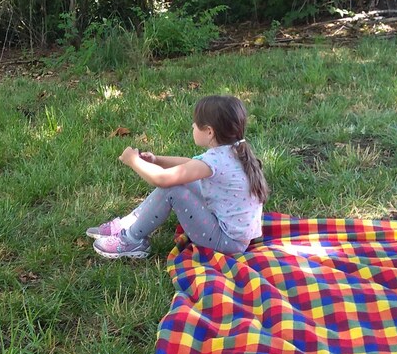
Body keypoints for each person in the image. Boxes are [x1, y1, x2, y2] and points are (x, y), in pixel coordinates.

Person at [89, 95, 269, 259]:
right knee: (184, 180)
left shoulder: (216, 160)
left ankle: (131, 240)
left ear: (209, 132)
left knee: (173, 189)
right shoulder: (233, 150)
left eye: (195, 123)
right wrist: (157, 160)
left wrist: (133, 161)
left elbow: (161, 179)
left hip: (227, 244)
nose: (192, 126)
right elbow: (189, 164)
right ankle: (126, 224)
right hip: (234, 237)